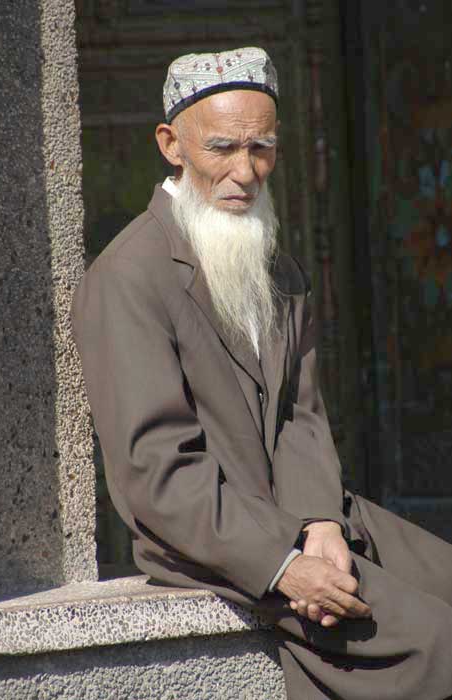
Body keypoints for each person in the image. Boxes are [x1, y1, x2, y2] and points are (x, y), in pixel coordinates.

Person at [72, 47, 452, 699]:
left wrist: (320, 522)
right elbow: (157, 478)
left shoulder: (270, 263)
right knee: (435, 644)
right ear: (171, 144)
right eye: (222, 148)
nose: (244, 172)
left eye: (261, 149)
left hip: (314, 517)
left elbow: (300, 416)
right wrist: (284, 565)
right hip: (219, 544)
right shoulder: (126, 277)